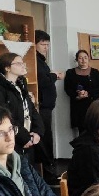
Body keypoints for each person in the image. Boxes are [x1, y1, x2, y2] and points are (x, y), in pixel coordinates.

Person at [0, 52, 44, 160]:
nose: (23, 66)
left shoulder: (20, 84)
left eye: (23, 63)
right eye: (18, 63)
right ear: (7, 68)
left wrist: (37, 132)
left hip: (28, 137)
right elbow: (3, 116)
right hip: (12, 139)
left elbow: (31, 110)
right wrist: (24, 137)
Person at [34, 30, 64, 184]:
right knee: (45, 139)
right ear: (34, 44)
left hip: (47, 106)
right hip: (42, 106)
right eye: (42, 44)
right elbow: (43, 80)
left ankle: (49, 170)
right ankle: (49, 173)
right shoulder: (34, 60)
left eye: (47, 44)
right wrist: (55, 76)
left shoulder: (41, 60)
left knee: (47, 137)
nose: (46, 47)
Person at [64, 49, 99, 134]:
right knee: (82, 132)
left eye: (85, 57)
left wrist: (88, 94)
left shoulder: (95, 72)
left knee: (95, 129)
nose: (83, 60)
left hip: (93, 105)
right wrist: (77, 95)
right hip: (78, 106)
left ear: (88, 59)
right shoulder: (70, 73)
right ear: (76, 60)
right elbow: (67, 89)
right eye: (80, 58)